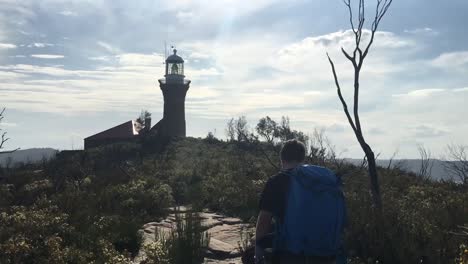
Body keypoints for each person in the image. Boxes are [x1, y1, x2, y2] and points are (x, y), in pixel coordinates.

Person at [255, 139, 346, 264]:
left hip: (292, 255)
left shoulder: (277, 181)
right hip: (328, 255)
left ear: (282, 159)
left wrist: (258, 251)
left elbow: (264, 220)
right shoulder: (327, 182)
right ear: (303, 159)